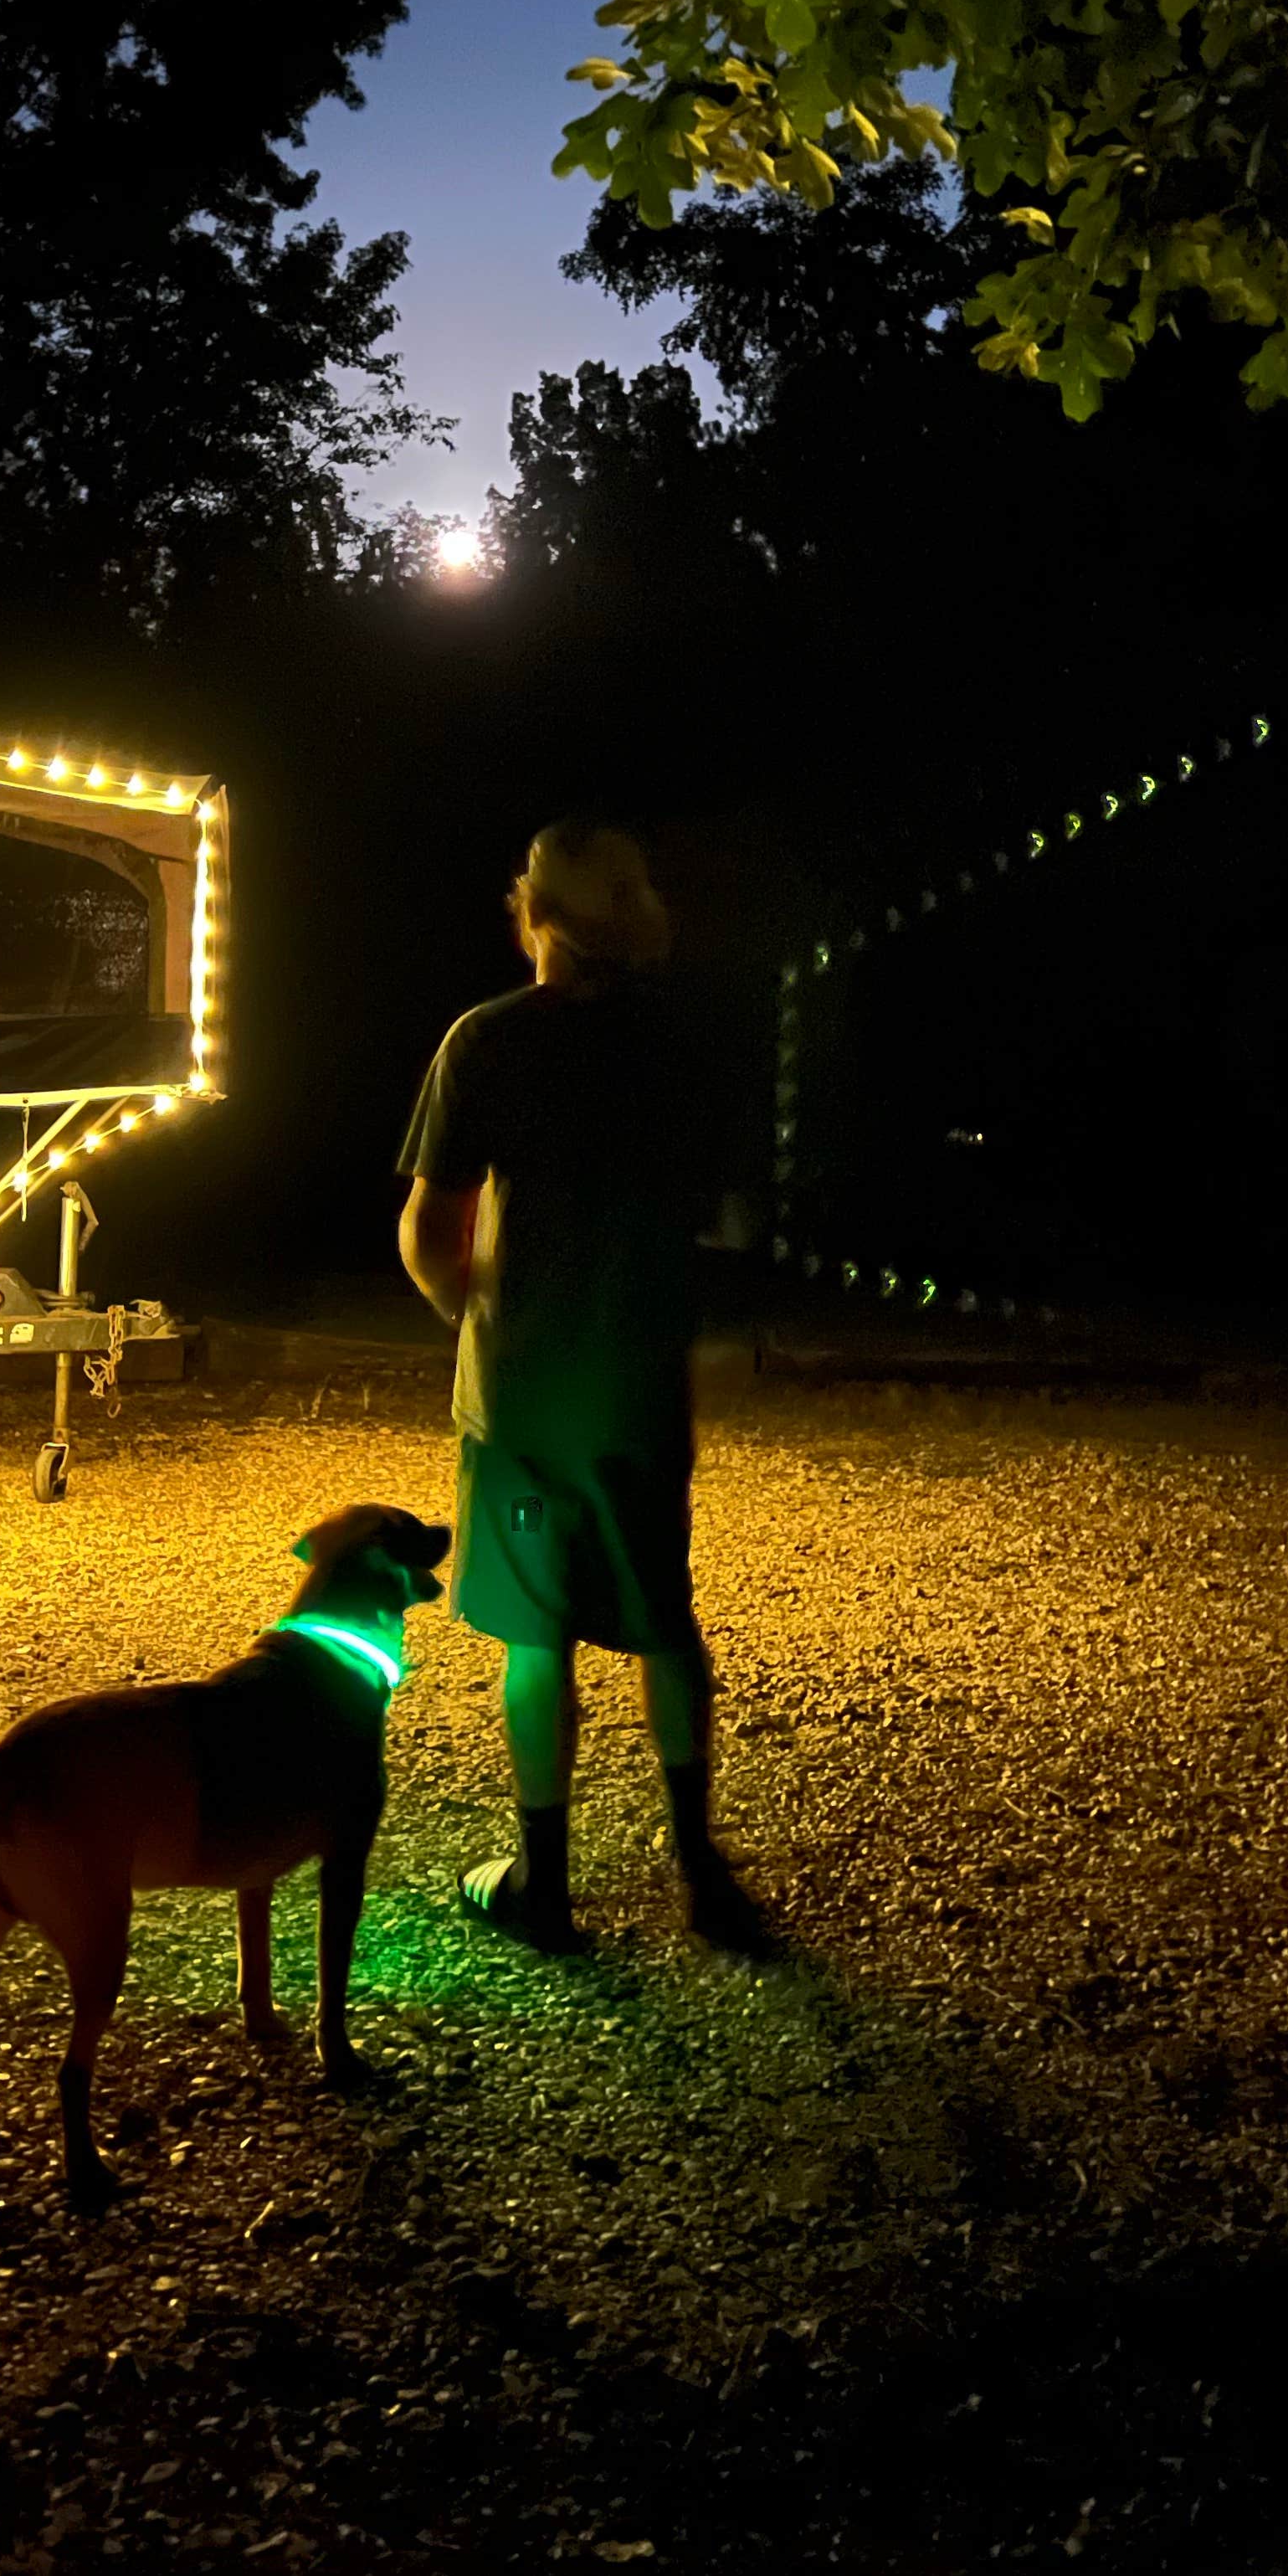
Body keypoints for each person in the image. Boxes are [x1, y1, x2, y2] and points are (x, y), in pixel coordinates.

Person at [396, 820, 772, 1957]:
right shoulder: (693, 1044)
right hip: (641, 1377)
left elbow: (429, 1229)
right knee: (665, 1619)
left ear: (534, 915)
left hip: (523, 1396)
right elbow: (728, 1214)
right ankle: (700, 1872)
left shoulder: (489, 1042)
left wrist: (476, 1312)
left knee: (535, 1633)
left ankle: (542, 1881)